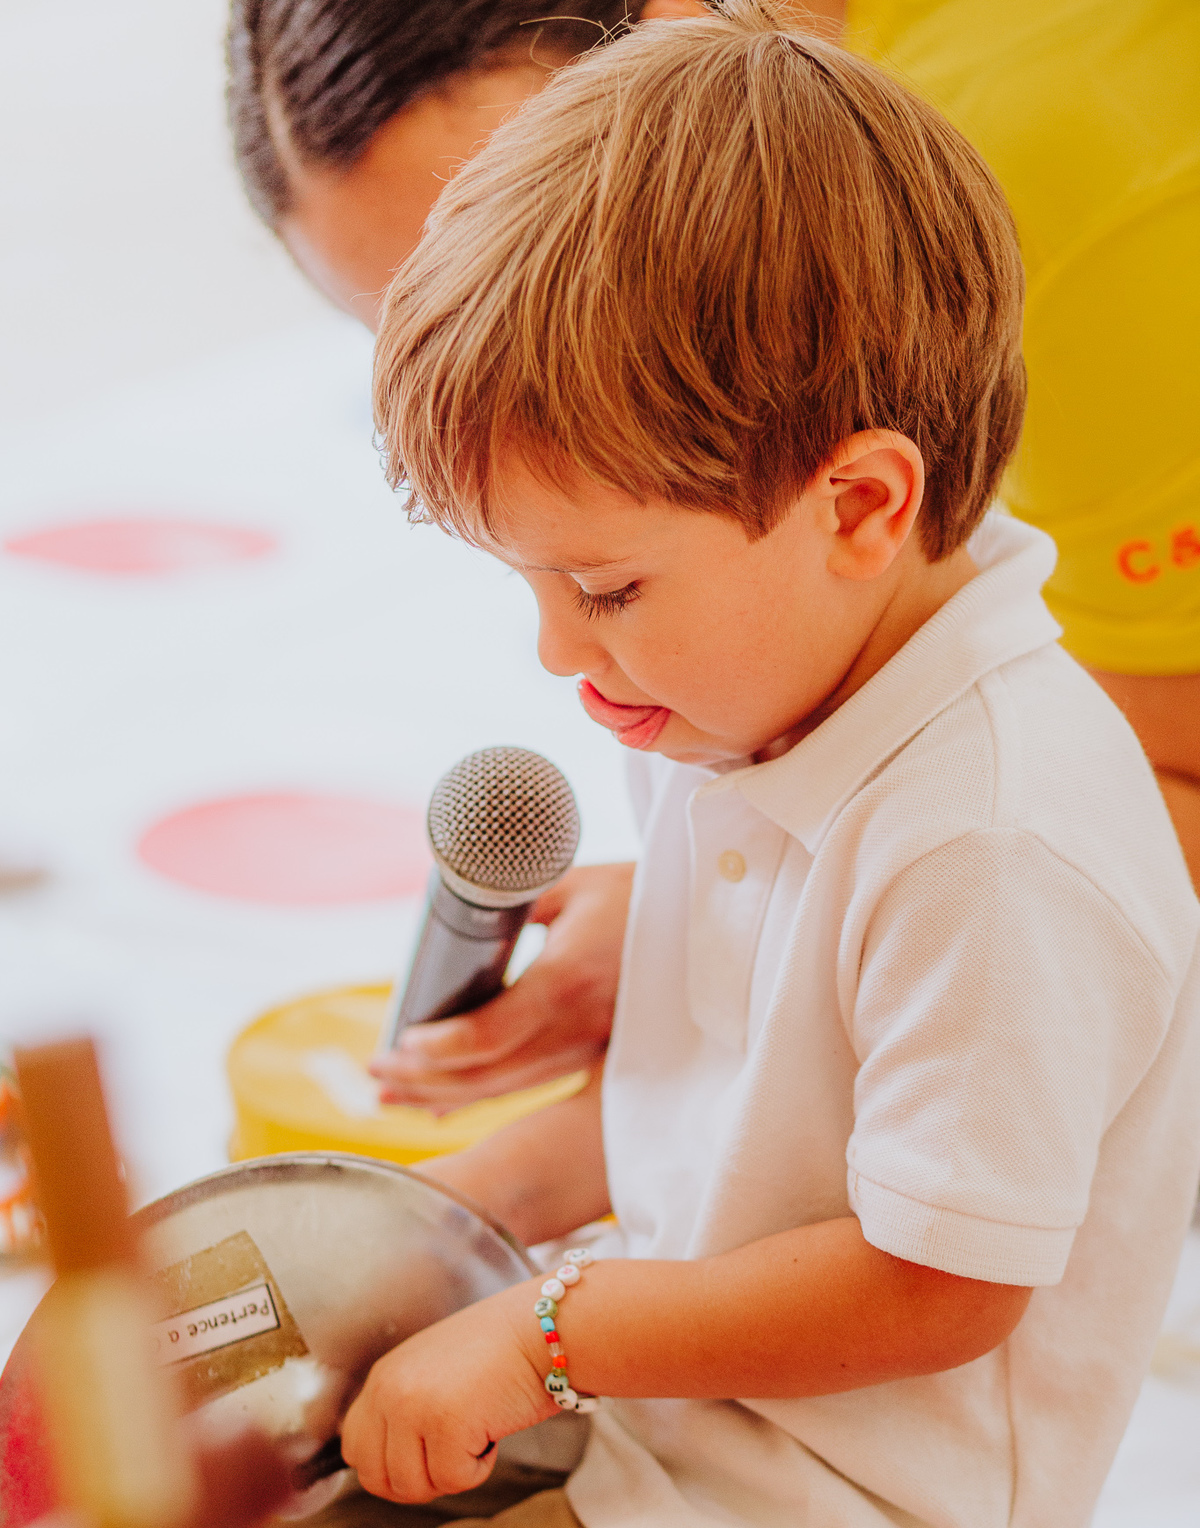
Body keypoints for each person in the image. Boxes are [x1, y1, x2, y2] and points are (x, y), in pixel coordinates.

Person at [230, 11, 1200, 1528]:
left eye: (600, 583)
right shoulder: (735, 676)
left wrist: (541, 1335)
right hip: (664, 1439)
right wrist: (420, 1226)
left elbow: (933, 1282)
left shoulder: (996, 833)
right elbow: (730, 1097)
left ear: (860, 502)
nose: (555, 652)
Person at [226, 0, 1200, 1112]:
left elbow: (1136, 799)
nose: (506, 370)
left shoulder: (1056, 160)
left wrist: (759, 935)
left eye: (538, 253)